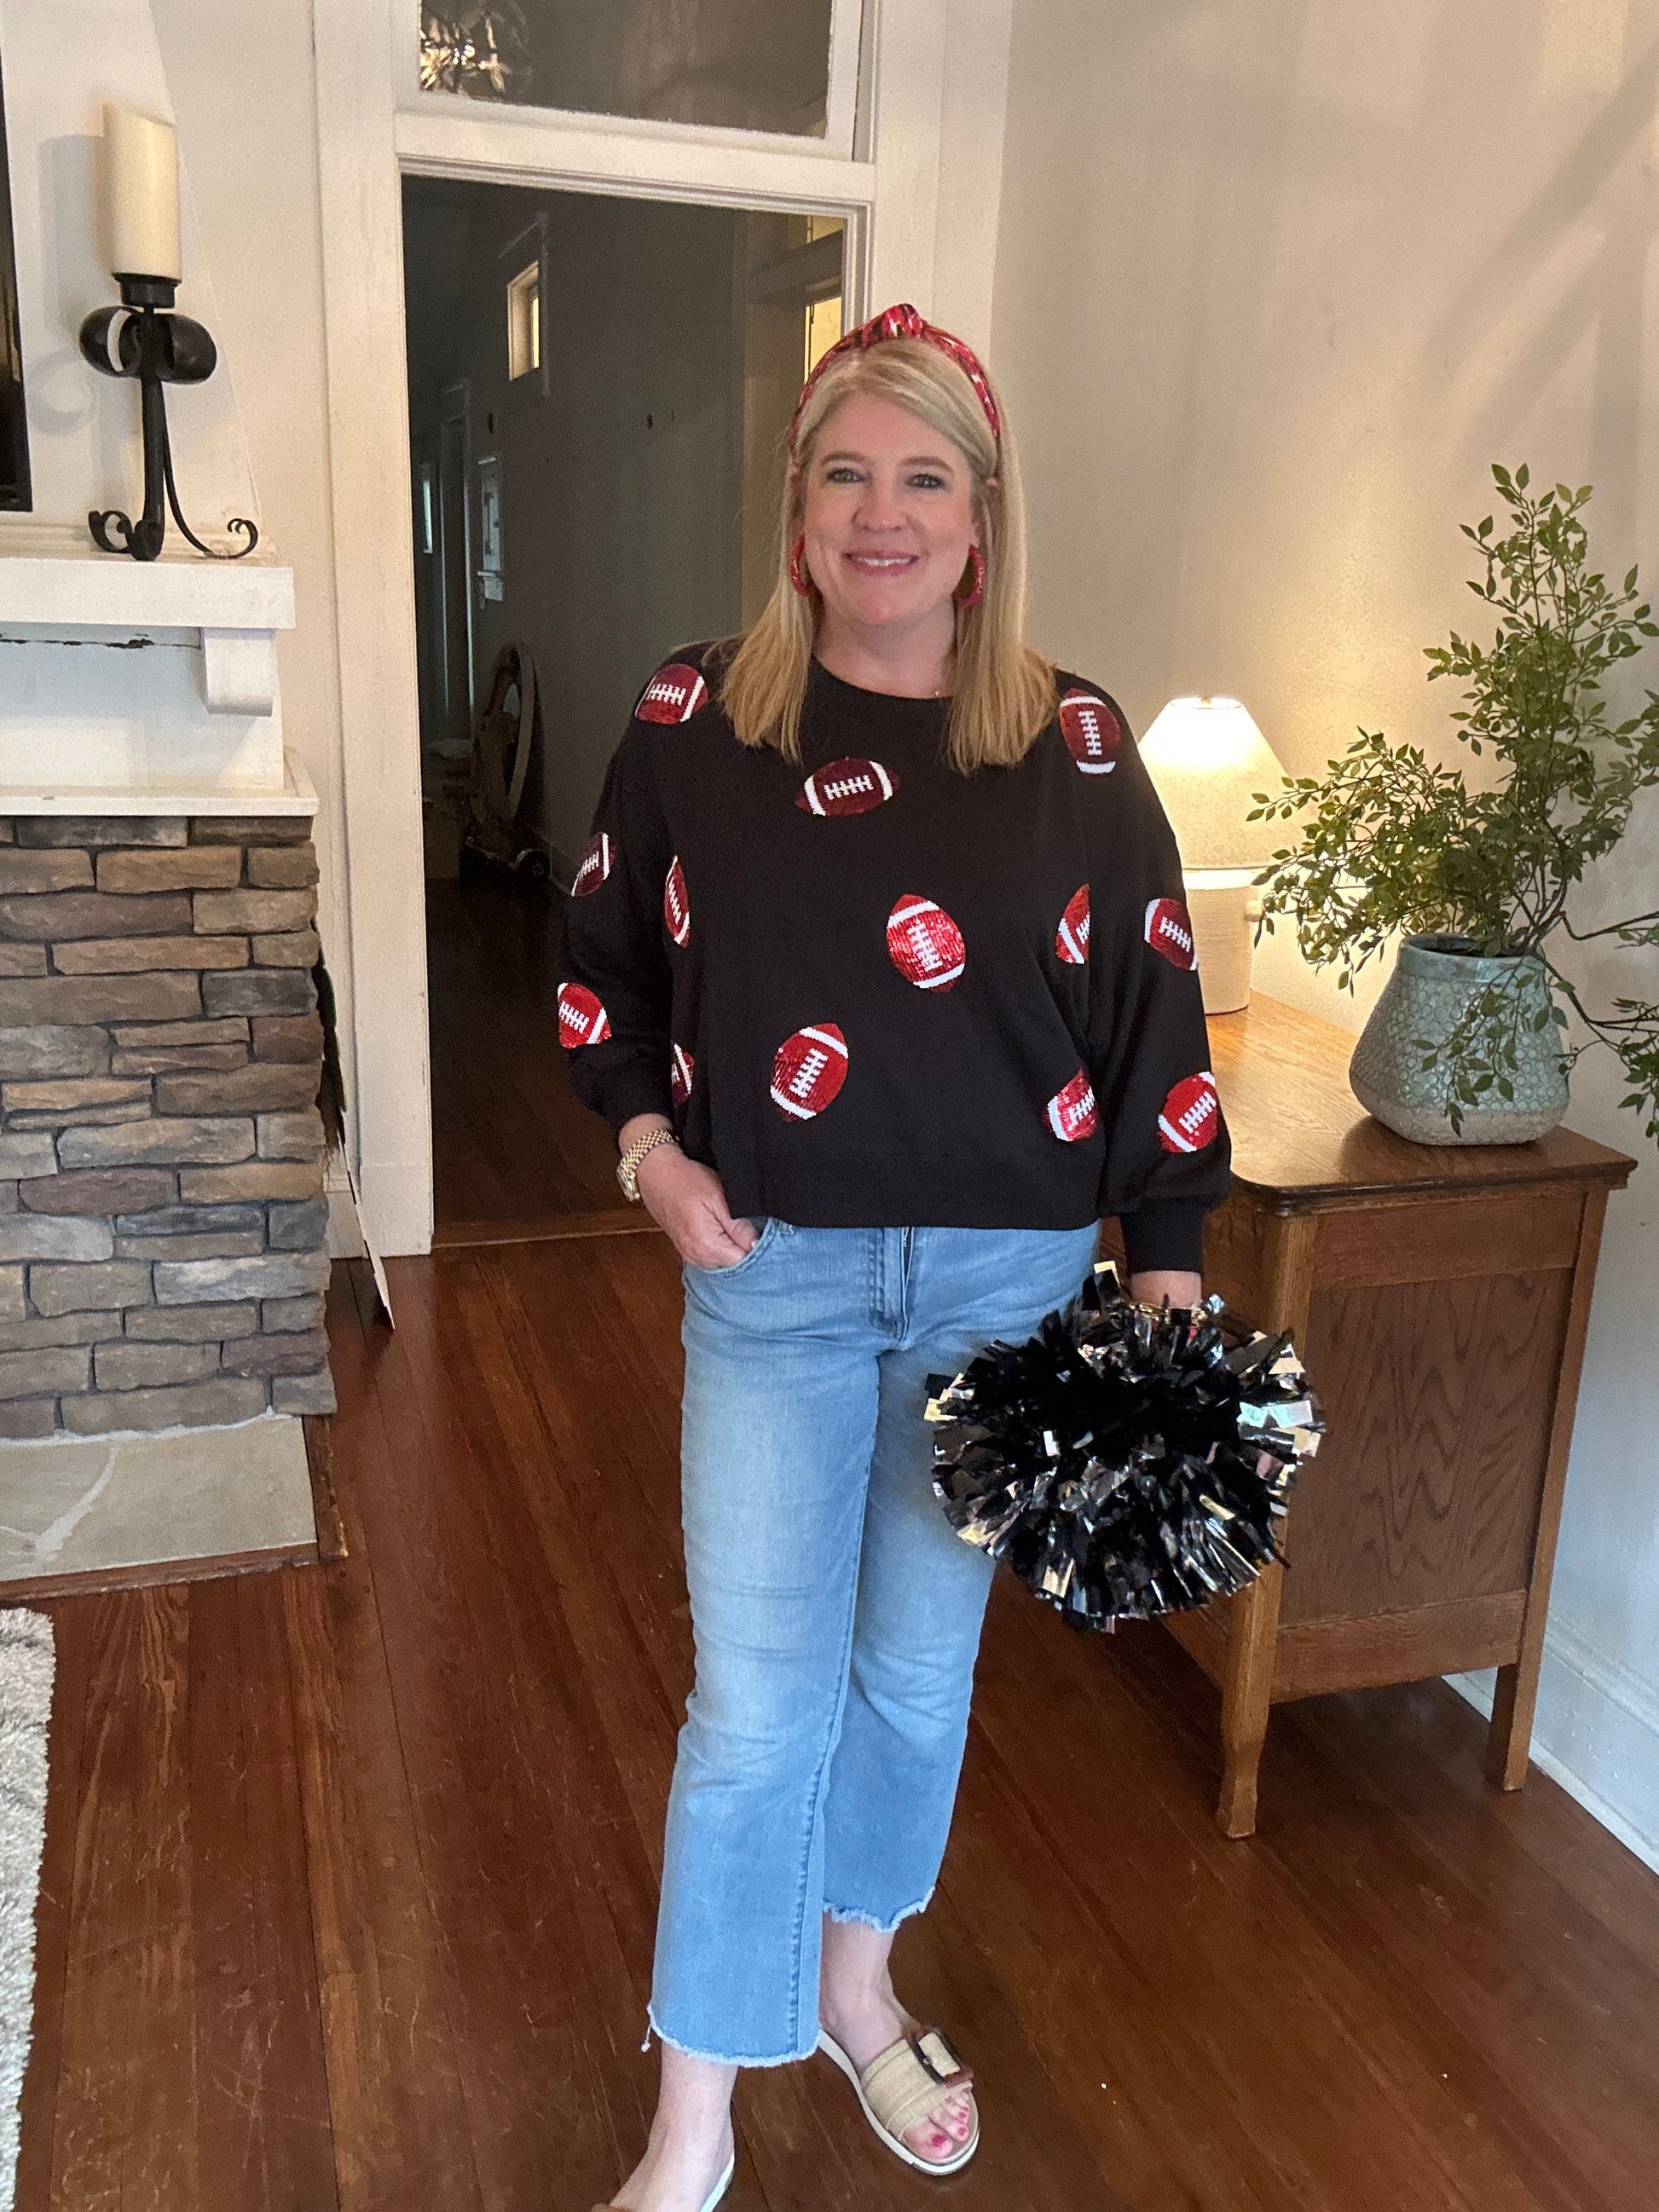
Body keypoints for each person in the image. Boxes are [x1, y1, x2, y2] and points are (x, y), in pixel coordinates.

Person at [559, 302, 1229, 2212]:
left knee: (916, 1681)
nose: (882, 510)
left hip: (1004, 1292)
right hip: (769, 1273)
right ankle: (691, 2118)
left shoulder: (1073, 742)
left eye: (922, 473)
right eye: (845, 470)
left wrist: (1165, 1259)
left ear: (979, 515)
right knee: (757, 1706)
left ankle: (856, 1990)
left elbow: (1151, 1011)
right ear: (796, 511)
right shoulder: (699, 723)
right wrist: (646, 1157)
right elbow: (599, 971)